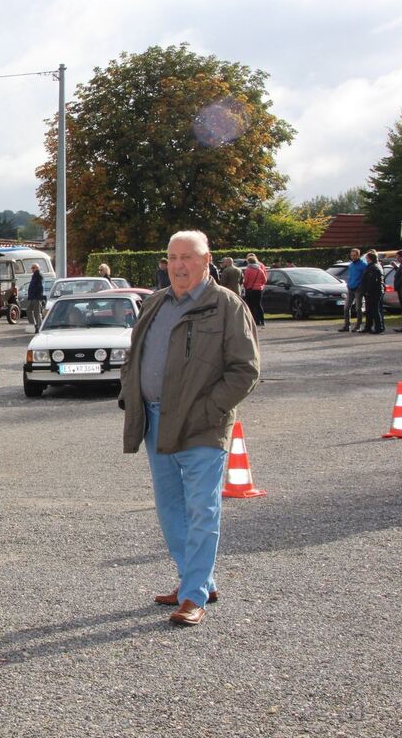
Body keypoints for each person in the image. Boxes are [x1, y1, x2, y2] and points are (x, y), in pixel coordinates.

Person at [118, 230, 260, 627]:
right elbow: (135, 355)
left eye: (188, 257)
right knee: (170, 509)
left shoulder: (227, 306)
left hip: (201, 426)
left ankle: (194, 595)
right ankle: (196, 581)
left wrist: (210, 409)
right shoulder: (154, 304)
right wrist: (131, 396)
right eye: (173, 257)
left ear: (206, 259)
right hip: (155, 420)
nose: (179, 265)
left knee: (202, 507)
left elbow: (246, 369)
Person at [340, 248, 365, 332]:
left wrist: (360, 285)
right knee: (346, 307)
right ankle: (347, 325)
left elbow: (364, 277)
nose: (353, 257)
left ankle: (358, 326)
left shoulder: (363, 265)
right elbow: (350, 276)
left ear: (358, 255)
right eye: (351, 255)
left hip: (358, 289)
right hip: (350, 288)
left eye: (354, 255)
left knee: (358, 308)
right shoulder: (351, 265)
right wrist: (348, 284)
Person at [359, 251, 385, 334]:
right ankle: (368, 326)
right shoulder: (375, 266)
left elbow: (372, 281)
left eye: (366, 258)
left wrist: (367, 291)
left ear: (369, 259)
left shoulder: (373, 267)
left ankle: (378, 327)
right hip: (374, 291)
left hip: (373, 292)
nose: (366, 260)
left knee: (375, 310)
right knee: (370, 310)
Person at [241, 253, 267, 328]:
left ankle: (254, 320)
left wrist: (246, 287)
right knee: (258, 305)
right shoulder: (260, 270)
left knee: (251, 306)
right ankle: (262, 320)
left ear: (248, 262)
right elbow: (265, 280)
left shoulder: (248, 270)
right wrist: (259, 285)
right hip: (259, 289)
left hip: (250, 289)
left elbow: (245, 281)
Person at [26, 263, 46, 333]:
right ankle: (34, 325)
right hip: (32, 297)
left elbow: (40, 287)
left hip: (37, 297)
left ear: (37, 268)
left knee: (37, 313)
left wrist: (37, 295)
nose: (32, 269)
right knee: (28, 311)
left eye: (34, 268)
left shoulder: (39, 275)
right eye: (32, 268)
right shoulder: (34, 276)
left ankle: (39, 327)